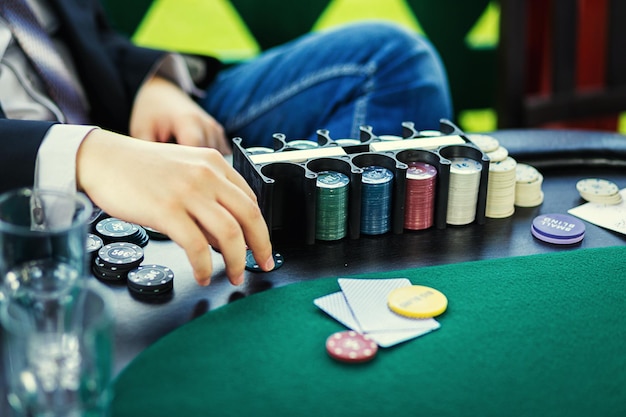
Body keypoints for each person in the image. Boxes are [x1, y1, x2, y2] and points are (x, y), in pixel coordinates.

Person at [0, 0, 452, 286]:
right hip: (26, 182)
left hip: (124, 123)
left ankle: (351, 289)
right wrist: (83, 154)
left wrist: (151, 84)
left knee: (392, 59)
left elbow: (85, 33)